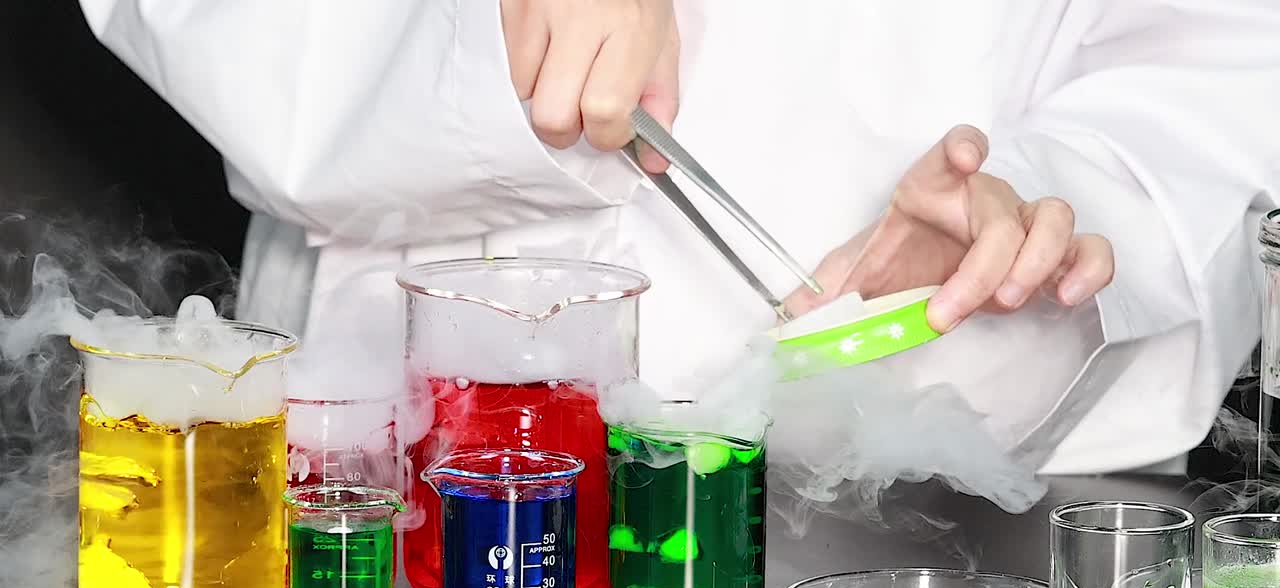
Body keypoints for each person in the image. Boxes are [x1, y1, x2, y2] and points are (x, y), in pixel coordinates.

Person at [76, 0, 1280, 476]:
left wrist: (1046, 194)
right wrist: (481, 34)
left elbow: (1211, 57)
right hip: (413, 485)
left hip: (960, 549)